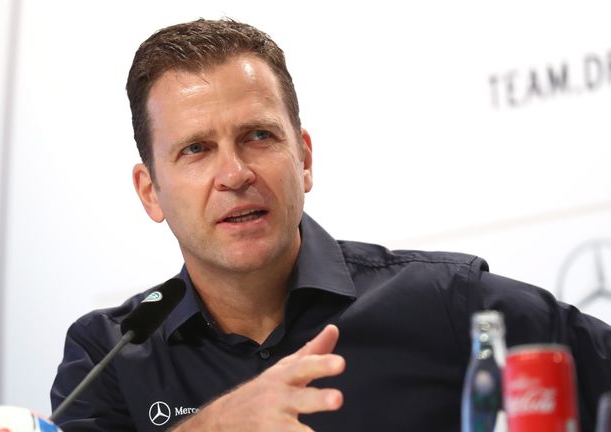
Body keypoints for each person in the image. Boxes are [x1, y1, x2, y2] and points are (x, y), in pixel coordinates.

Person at [50, 18, 611, 431]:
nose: (235, 173)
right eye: (196, 149)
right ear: (151, 192)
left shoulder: (447, 302)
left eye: (258, 136)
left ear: (305, 158)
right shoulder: (107, 355)